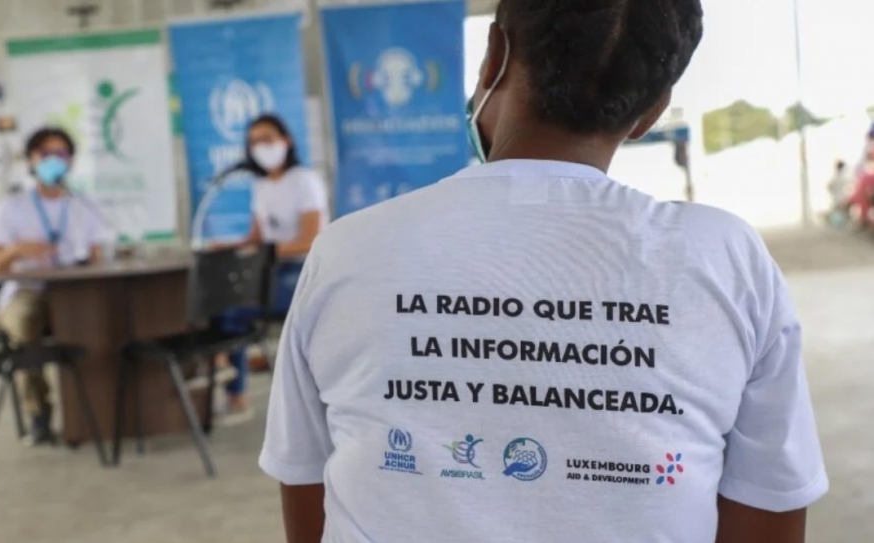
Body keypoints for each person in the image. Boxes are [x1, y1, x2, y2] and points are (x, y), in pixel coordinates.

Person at [259, 1, 828, 542]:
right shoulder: (726, 261)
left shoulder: (349, 251)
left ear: (494, 55)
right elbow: (769, 504)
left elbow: (307, 477)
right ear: (651, 110)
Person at [0, 127, 104, 444]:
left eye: (61, 154)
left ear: (71, 161)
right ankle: (39, 413)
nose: (54, 161)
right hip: (24, 293)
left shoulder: (82, 205)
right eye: (45, 154)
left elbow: (97, 255)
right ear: (31, 160)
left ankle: (97, 410)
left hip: (72, 293)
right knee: (27, 324)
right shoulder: (11, 207)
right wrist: (19, 250)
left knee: (101, 318)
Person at [211, 114, 329, 421]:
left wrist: (267, 251)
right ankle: (231, 381)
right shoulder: (261, 185)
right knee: (217, 300)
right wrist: (227, 246)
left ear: (286, 141)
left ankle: (233, 379)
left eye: (266, 138)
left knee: (236, 307)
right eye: (253, 141)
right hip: (270, 271)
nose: (259, 146)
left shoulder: (304, 180)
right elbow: (256, 236)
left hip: (303, 272)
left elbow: (309, 239)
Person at [827, 160, 853, 227]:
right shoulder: (845, 177)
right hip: (844, 199)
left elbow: (829, 187)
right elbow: (850, 187)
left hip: (836, 199)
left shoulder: (834, 177)